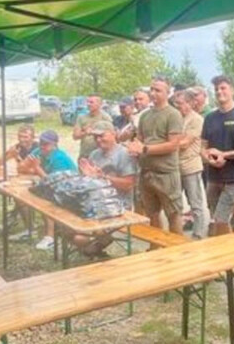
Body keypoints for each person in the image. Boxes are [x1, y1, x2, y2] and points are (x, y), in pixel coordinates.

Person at [125, 77, 184, 233]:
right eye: (151, 89)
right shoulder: (145, 116)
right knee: (152, 214)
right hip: (147, 172)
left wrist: (145, 149)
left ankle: (177, 245)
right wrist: (133, 147)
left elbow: (173, 145)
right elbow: (140, 139)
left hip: (166, 173)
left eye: (158, 90)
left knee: (173, 214)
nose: (153, 93)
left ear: (168, 93)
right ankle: (156, 244)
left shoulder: (173, 114)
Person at [199, 75, 234, 237]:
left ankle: (229, 250)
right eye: (216, 89)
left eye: (223, 88)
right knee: (216, 219)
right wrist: (208, 158)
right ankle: (224, 248)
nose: (219, 92)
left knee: (221, 219)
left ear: (232, 90)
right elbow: (202, 146)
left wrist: (224, 155)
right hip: (213, 177)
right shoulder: (210, 118)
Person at [73, 122, 138, 256]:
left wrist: (102, 177)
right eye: (95, 137)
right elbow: (90, 183)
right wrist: (86, 178)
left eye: (102, 136)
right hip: (95, 201)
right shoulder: (94, 154)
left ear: (113, 134)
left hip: (118, 205)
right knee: (66, 226)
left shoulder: (124, 154)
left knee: (80, 237)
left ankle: (98, 243)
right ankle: (99, 244)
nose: (98, 140)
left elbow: (129, 184)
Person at [16, 129, 78, 251]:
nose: (42, 146)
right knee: (20, 196)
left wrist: (36, 168)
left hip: (69, 189)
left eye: (46, 144)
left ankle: (50, 238)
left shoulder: (60, 158)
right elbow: (20, 168)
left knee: (46, 201)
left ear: (54, 144)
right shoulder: (39, 151)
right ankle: (30, 229)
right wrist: (29, 166)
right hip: (51, 185)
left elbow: (53, 183)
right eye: (41, 143)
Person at [173, 89, 209, 239]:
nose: (177, 106)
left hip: (190, 166)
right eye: (175, 103)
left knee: (195, 202)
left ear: (189, 103)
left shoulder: (196, 120)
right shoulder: (176, 118)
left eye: (180, 103)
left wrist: (168, 143)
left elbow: (184, 143)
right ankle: (176, 233)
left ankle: (199, 234)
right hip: (175, 166)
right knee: (174, 202)